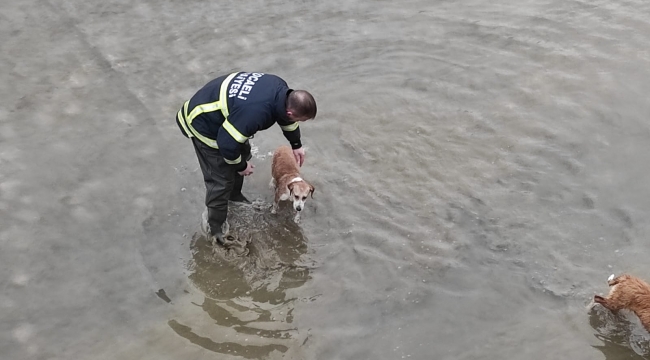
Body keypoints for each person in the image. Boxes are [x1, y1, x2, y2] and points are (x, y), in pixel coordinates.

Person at [176, 71, 317, 245]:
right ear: (290, 112)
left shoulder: (282, 91)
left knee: (242, 153)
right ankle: (216, 229)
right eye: (300, 120)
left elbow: (286, 119)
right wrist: (241, 166)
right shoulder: (256, 112)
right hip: (202, 122)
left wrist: (296, 144)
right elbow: (226, 144)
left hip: (229, 117)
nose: (298, 123)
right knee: (221, 180)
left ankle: (234, 196)